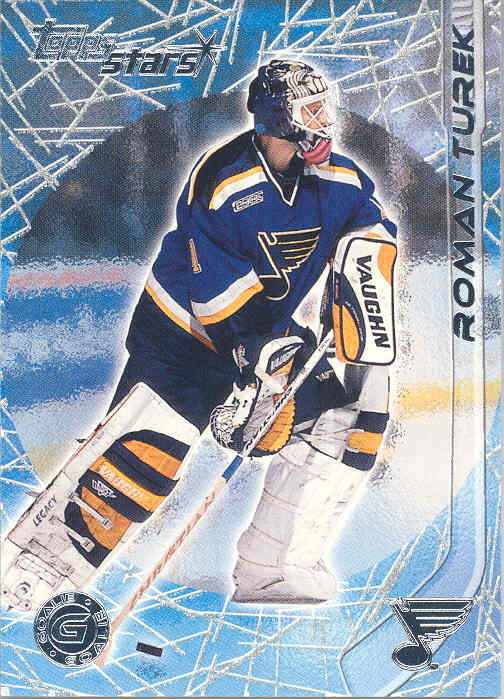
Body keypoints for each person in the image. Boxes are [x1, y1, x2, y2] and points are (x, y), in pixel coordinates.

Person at [1, 60, 397, 610]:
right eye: (310, 111)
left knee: (349, 416)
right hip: (182, 334)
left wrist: (357, 281)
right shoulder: (225, 179)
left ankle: (272, 568)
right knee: (145, 457)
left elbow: (371, 227)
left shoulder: (340, 180)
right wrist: (259, 363)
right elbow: (213, 290)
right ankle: (36, 567)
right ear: (279, 118)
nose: (323, 121)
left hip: (267, 338)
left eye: (322, 107)